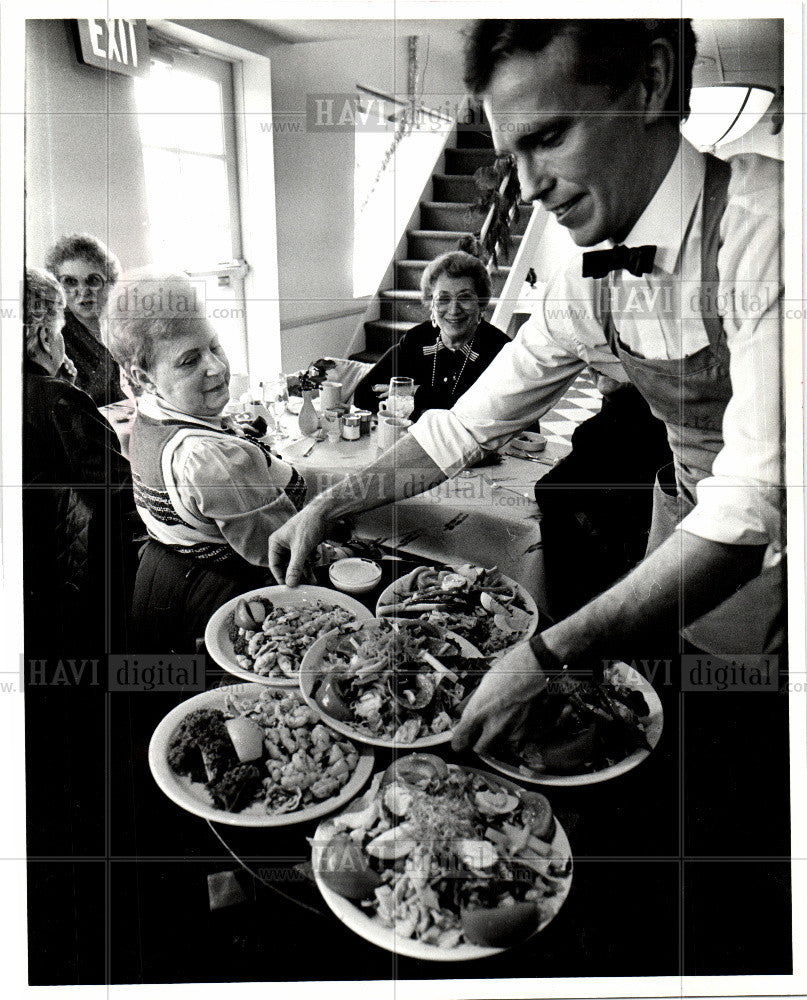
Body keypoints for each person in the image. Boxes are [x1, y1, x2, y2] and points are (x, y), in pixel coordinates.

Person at [267, 18, 784, 754]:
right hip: (679, 525)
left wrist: (546, 654)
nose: (529, 186)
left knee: (755, 752)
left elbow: (751, 501)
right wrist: (328, 503)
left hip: (769, 551)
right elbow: (459, 428)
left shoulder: (772, 231)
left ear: (652, 82)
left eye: (549, 137)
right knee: (670, 732)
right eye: (514, 152)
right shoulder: (582, 283)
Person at [105, 273, 308, 652]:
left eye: (214, 346)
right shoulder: (209, 459)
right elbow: (279, 547)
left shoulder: (149, 419)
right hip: (225, 599)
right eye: (189, 361)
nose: (215, 367)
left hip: (162, 580)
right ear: (142, 377)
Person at [22, 267, 130, 654]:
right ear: (45, 335)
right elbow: (122, 491)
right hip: (78, 583)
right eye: (60, 327)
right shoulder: (55, 399)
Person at [352, 250, 510, 420]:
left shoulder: (501, 349)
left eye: (465, 298)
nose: (453, 310)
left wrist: (417, 393)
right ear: (431, 304)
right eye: (443, 299)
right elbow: (364, 395)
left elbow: (487, 413)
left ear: (481, 304)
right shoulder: (418, 339)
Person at [44, 232, 126, 406]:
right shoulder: (55, 336)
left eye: (93, 280)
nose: (83, 291)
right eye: (70, 282)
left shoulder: (128, 322)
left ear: (111, 282)